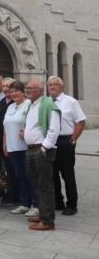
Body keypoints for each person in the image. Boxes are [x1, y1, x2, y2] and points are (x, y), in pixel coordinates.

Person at [24, 78, 60, 230]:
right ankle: (42, 214)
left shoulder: (49, 105)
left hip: (41, 150)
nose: (26, 90)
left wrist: (44, 148)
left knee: (45, 186)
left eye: (29, 88)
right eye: (26, 88)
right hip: (31, 149)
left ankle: (48, 221)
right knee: (36, 184)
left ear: (39, 90)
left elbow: (54, 129)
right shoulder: (32, 105)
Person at [48, 76, 86, 216]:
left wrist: (73, 139)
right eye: (50, 84)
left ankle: (72, 205)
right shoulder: (46, 101)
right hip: (50, 142)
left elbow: (81, 121)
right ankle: (58, 202)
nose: (52, 87)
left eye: (55, 84)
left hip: (65, 141)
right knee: (52, 174)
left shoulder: (71, 102)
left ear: (62, 87)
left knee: (67, 174)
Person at [3, 81, 37, 216]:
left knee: (31, 176)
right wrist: (5, 144)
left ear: (23, 92)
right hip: (13, 147)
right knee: (20, 177)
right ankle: (24, 203)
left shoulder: (29, 105)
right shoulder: (10, 107)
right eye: (11, 92)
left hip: (26, 147)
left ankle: (35, 204)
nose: (13, 94)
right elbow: (5, 128)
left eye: (16, 91)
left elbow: (34, 124)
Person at [0, 77, 20, 206]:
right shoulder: (2, 102)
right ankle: (11, 193)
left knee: (16, 169)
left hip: (15, 141)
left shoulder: (16, 103)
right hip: (3, 140)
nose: (5, 89)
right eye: (4, 86)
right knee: (8, 169)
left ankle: (17, 195)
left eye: (8, 87)